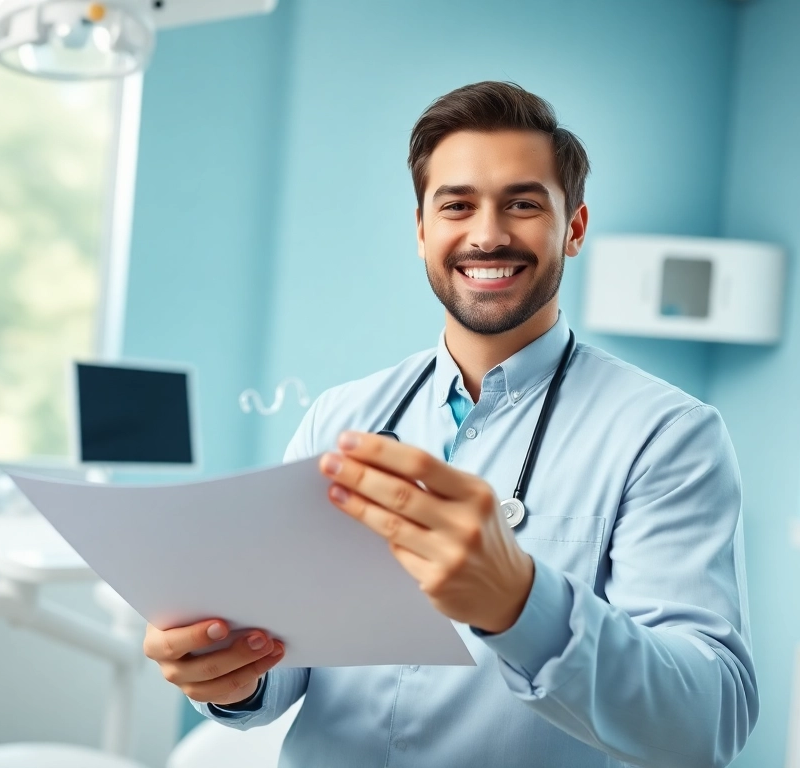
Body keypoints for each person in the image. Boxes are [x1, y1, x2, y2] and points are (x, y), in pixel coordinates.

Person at [142, 81, 757, 768]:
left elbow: (707, 722)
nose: (487, 233)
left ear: (574, 228)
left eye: (523, 205)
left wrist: (521, 603)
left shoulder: (667, 436)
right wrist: (232, 672)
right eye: (457, 206)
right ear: (422, 231)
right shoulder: (340, 419)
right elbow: (286, 662)